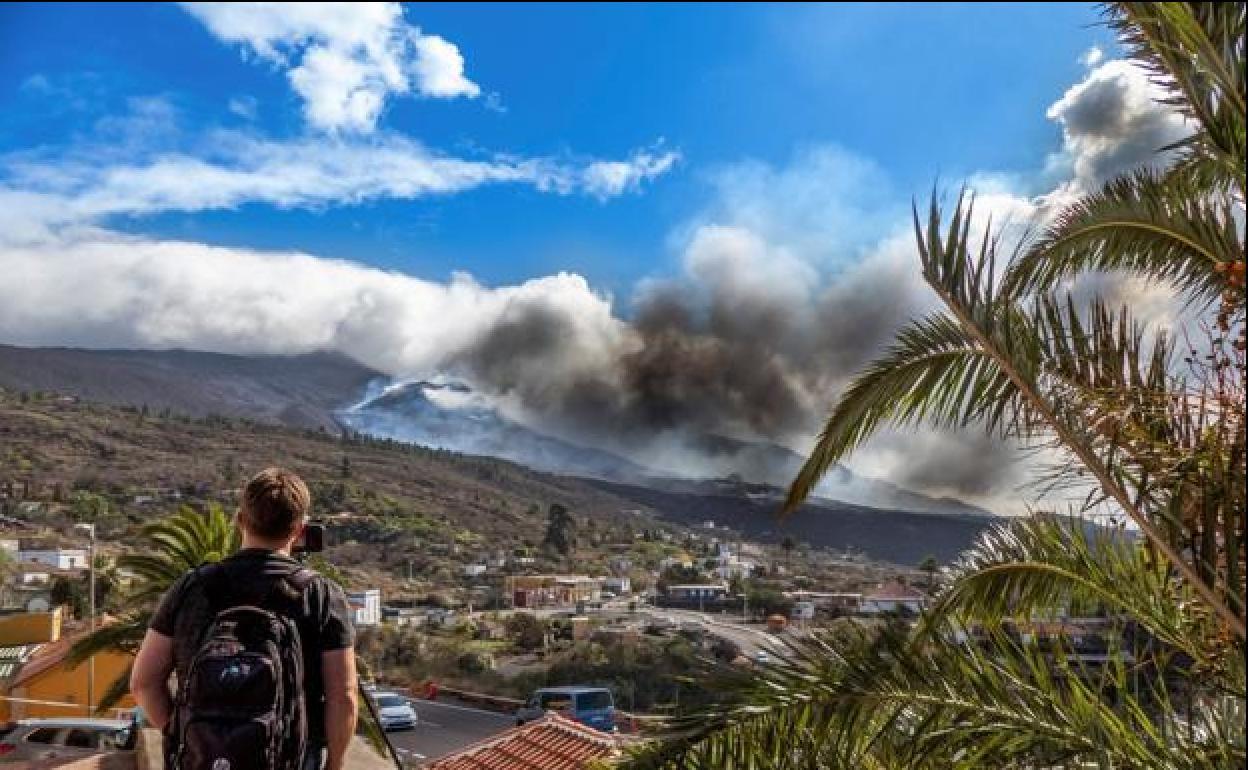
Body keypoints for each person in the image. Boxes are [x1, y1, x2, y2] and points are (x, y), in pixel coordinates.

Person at [130, 468, 358, 770]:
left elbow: (144, 683)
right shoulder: (321, 595)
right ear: (300, 530)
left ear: (239, 520)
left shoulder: (192, 586)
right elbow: (343, 694)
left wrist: (184, 736)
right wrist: (336, 763)